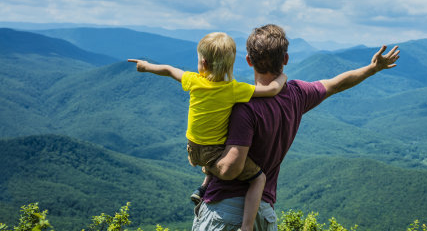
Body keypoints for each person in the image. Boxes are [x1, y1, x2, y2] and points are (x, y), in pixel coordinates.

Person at [193, 24, 400, 231]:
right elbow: (336, 84)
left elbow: (231, 169)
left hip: (226, 213)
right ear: (285, 59)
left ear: (248, 61)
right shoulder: (297, 95)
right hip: (264, 215)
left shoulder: (244, 107)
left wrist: (207, 162)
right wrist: (373, 68)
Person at [128, 31, 287, 231]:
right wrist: (282, 78)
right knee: (259, 178)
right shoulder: (233, 89)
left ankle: (203, 188)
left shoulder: (193, 80)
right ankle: (247, 227)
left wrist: (145, 66)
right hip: (213, 154)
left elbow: (168, 70)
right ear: (230, 65)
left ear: (202, 62)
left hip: (193, 150)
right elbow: (271, 90)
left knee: (217, 149)